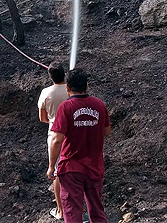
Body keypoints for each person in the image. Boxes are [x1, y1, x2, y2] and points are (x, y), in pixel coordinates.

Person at [47, 68, 111, 223]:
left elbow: (56, 140)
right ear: (87, 86)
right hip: (95, 167)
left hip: (71, 168)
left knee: (72, 212)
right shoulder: (100, 105)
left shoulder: (66, 107)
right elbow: (107, 131)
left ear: (67, 88)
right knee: (97, 210)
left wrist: (51, 166)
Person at [38, 61, 70, 221]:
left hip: (54, 133)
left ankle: (60, 211)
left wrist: (54, 119)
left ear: (50, 76)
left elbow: (42, 118)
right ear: (64, 74)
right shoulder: (72, 89)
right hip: (74, 133)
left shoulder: (45, 92)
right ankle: (77, 209)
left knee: (57, 172)